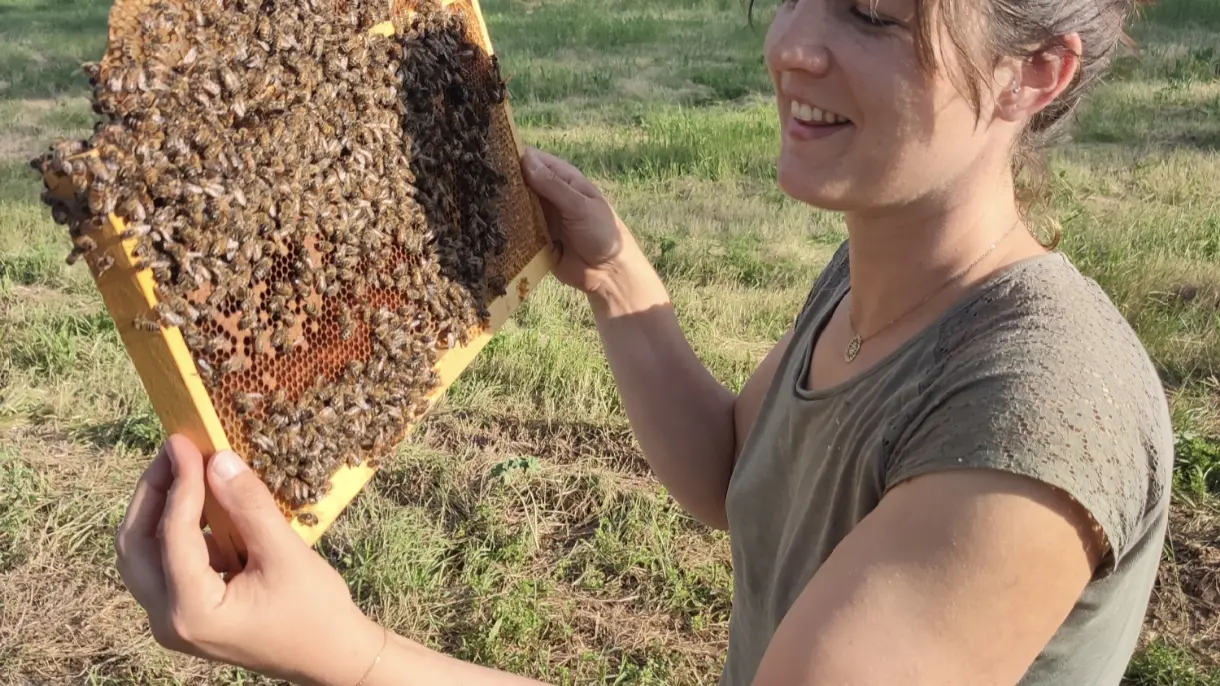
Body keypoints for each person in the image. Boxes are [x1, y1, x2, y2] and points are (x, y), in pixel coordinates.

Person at [114, 0, 1174, 684]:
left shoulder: (1035, 404)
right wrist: (615, 274)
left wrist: (348, 652)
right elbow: (729, 471)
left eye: (870, 14)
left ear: (1030, 74)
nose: (791, 43)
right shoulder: (884, 272)